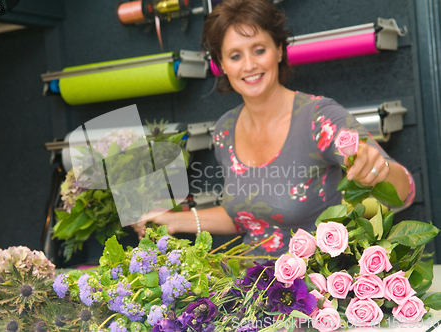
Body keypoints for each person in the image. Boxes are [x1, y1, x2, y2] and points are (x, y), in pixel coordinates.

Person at [132, 0, 415, 256]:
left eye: (259, 50)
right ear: (221, 65)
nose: (249, 65)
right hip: (248, 286)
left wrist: (380, 171)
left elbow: (405, 193)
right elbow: (244, 217)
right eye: (234, 56)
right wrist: (173, 220)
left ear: (279, 50)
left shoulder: (318, 118)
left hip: (312, 290)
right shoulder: (224, 130)